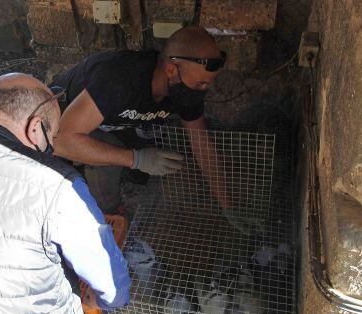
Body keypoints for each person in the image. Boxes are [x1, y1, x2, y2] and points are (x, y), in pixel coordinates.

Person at [0, 73, 131, 314]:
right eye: (53, 138)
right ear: (35, 128)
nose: (53, 150)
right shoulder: (56, 185)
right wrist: (104, 300)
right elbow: (110, 281)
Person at [52, 26, 233, 218]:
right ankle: (106, 212)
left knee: (142, 173)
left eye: (208, 84)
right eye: (200, 84)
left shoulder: (184, 90)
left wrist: (228, 206)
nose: (204, 90)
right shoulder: (120, 78)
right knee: (108, 164)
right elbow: (61, 141)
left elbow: (201, 144)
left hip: (111, 118)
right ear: (171, 70)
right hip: (60, 119)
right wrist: (137, 159)